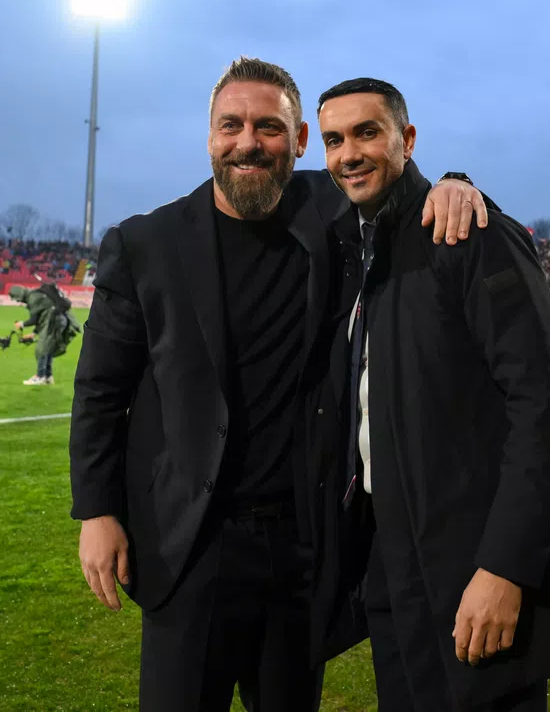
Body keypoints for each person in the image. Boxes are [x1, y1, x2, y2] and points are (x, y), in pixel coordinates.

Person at [69, 57, 489, 712]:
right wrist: (97, 512)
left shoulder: (332, 211)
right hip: (192, 545)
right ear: (210, 136)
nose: (248, 143)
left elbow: (398, 181)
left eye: (268, 127)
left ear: (298, 142)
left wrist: (455, 183)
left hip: (302, 548)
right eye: (231, 125)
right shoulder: (145, 244)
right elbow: (99, 390)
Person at [314, 78, 550, 712]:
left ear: (407, 139)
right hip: (391, 560)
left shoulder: (473, 234)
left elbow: (546, 412)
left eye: (367, 133)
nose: (349, 154)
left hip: (472, 562)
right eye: (334, 140)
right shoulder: (355, 247)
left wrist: (506, 568)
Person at [10, 283, 81, 385]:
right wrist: (34, 333)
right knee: (48, 349)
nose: (18, 301)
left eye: (17, 299)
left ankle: (40, 376)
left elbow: (34, 319)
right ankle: (48, 377)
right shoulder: (36, 295)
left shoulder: (33, 298)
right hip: (58, 321)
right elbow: (42, 317)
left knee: (42, 350)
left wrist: (22, 324)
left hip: (54, 322)